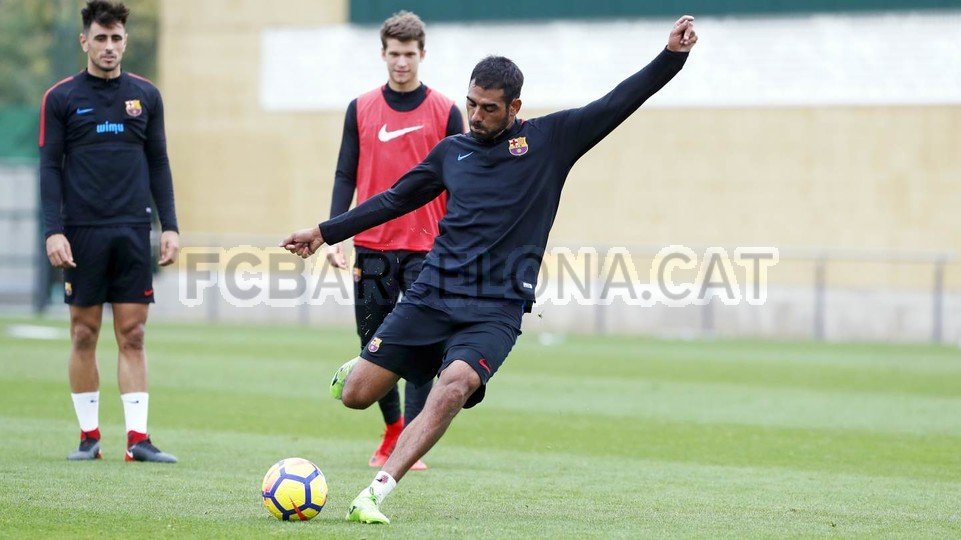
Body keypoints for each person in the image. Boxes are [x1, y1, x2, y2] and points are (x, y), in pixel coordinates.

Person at [282, 15, 699, 524]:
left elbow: (618, 102)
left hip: (496, 308)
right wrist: (325, 231)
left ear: (514, 108)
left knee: (453, 385)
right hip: (432, 292)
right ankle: (374, 361)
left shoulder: (552, 141)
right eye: (471, 104)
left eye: (489, 109)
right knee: (356, 396)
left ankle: (376, 492)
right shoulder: (450, 153)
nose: (476, 116)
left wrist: (671, 56)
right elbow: (392, 199)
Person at [39, 0, 179, 463]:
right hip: (81, 232)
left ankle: (138, 440)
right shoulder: (61, 98)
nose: (109, 46)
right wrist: (53, 230)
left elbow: (158, 163)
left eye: (116, 37)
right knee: (83, 333)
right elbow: (49, 168)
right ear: (85, 41)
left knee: (133, 335)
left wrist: (170, 226)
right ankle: (89, 437)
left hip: (133, 229)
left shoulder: (146, 97)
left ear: (125, 41)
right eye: (100, 38)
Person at [325, 11, 463, 470]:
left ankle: (407, 440)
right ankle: (391, 429)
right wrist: (335, 234)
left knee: (422, 343)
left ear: (422, 54)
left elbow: (464, 179)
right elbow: (346, 172)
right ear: (382, 54)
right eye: (393, 54)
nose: (401, 62)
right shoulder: (360, 108)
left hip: (428, 248)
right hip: (372, 245)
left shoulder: (445, 110)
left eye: (409, 54)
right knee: (375, 344)